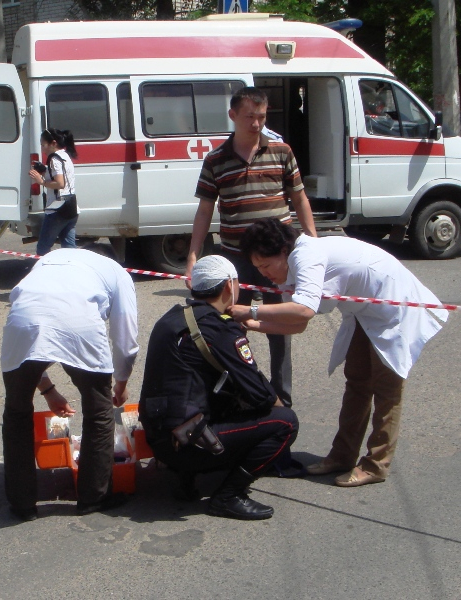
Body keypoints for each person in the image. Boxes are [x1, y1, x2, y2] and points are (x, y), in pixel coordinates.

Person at [233, 218, 447, 487]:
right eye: (257, 268)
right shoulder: (289, 269)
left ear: (283, 251)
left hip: (396, 311)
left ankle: (376, 465)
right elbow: (297, 325)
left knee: (386, 390)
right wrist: (252, 325)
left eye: (265, 265)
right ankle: (342, 456)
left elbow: (303, 310)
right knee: (357, 382)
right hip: (364, 314)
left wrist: (250, 311)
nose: (263, 273)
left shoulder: (305, 256)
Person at [139, 255, 298, 520]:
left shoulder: (171, 318)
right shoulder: (219, 328)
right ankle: (229, 496)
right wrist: (277, 407)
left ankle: (183, 477)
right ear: (228, 286)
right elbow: (260, 393)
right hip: (190, 445)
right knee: (285, 423)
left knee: (203, 394)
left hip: (159, 438)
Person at [186, 86, 318, 407]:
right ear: (233, 116)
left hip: (278, 259)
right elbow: (205, 210)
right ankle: (241, 390)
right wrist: (192, 256)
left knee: (280, 326)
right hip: (236, 260)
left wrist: (313, 243)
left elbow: (299, 198)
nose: (256, 124)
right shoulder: (216, 160)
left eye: (261, 117)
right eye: (250, 117)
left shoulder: (282, 152)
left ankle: (281, 397)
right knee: (231, 324)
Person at [1, 244, 139, 520]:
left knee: (17, 412)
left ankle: (22, 504)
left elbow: (36, 330)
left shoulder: (51, 259)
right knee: (99, 412)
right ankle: (93, 497)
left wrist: (47, 390)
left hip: (22, 321)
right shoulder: (115, 271)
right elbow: (125, 335)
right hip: (80, 323)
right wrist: (121, 381)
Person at [29, 128, 79, 256]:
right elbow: (64, 179)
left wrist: (41, 181)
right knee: (69, 248)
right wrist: (45, 170)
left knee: (43, 248)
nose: (42, 148)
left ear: (53, 143)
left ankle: (44, 273)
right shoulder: (65, 155)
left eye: (43, 144)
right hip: (72, 207)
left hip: (57, 209)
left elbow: (60, 183)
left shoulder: (54, 159)